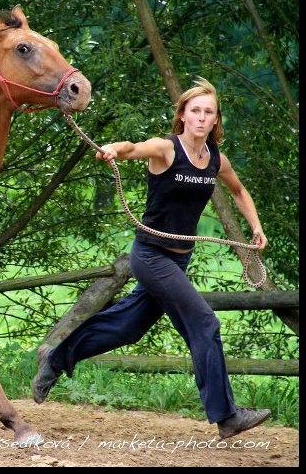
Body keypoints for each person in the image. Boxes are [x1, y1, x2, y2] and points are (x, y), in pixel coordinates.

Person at [32, 77, 271, 440]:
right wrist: (115, 148)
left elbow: (238, 190)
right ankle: (227, 416)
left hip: (178, 261)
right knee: (205, 323)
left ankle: (55, 358)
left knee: (129, 327)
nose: (202, 118)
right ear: (183, 116)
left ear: (216, 119)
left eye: (209, 112)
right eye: (196, 111)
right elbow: (134, 148)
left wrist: (255, 228)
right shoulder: (166, 149)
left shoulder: (216, 160)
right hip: (150, 255)